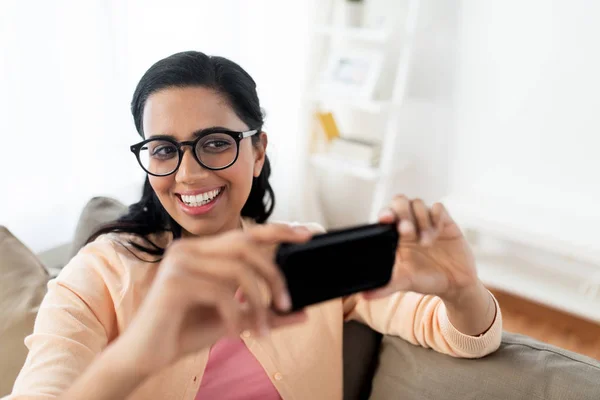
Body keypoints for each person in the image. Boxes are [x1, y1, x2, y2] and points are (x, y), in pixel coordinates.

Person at [8, 51, 501, 400]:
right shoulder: (97, 274)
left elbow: (462, 335)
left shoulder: (307, 253)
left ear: (259, 149)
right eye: (164, 149)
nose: (188, 173)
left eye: (215, 142)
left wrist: (461, 288)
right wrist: (139, 353)